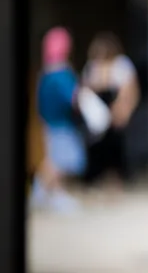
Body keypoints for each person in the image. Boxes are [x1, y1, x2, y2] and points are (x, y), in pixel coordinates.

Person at [32, 26, 86, 212]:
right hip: (62, 124)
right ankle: (45, 193)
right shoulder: (62, 74)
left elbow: (39, 102)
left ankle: (47, 193)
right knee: (64, 160)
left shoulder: (45, 74)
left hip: (48, 123)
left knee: (54, 159)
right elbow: (73, 97)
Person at [82, 31, 140, 191]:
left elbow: (129, 90)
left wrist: (123, 110)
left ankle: (117, 179)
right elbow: (87, 88)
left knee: (117, 146)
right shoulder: (92, 66)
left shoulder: (121, 64)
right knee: (98, 146)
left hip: (116, 108)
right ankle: (98, 178)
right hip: (99, 112)